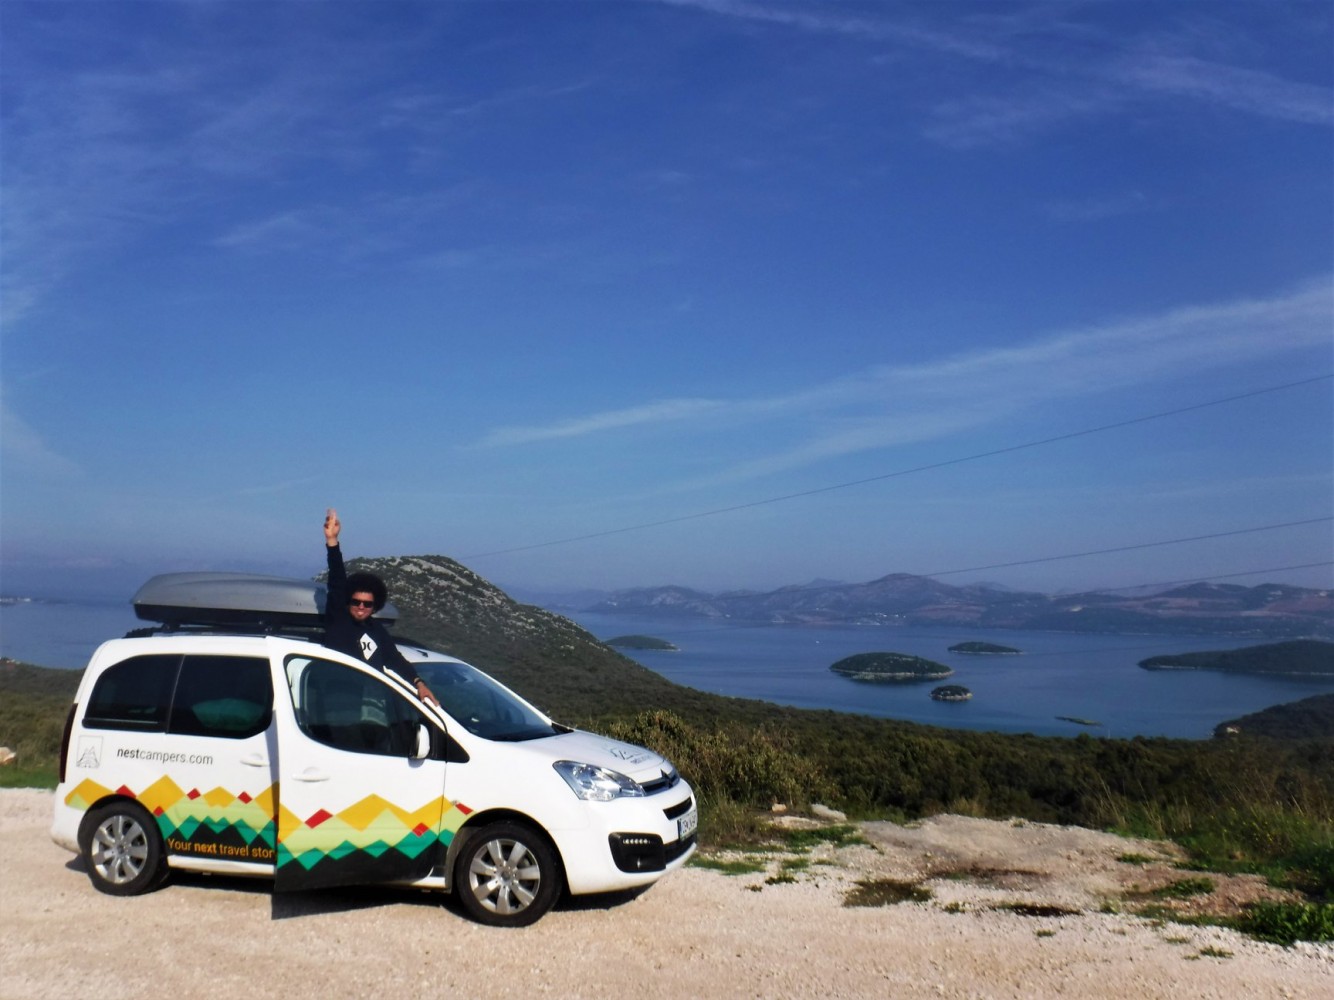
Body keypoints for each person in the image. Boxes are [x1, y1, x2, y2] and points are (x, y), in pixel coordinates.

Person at [322, 508, 438, 706]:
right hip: (336, 705)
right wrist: (332, 541)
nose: (361, 607)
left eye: (367, 604)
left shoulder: (376, 630)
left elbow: (394, 659)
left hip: (367, 705)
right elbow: (337, 580)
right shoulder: (338, 620)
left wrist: (418, 683)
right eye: (356, 602)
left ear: (374, 607)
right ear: (348, 601)